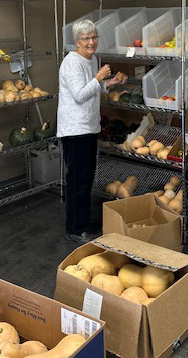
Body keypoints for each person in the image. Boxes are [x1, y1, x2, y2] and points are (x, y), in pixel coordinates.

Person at [57, 19, 126, 243]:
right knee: (77, 180)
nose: (91, 42)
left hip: (89, 127)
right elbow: (80, 94)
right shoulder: (71, 62)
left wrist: (110, 83)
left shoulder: (92, 59)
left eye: (94, 37)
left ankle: (83, 222)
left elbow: (93, 90)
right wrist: (98, 78)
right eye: (85, 38)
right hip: (75, 130)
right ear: (77, 41)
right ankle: (75, 229)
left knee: (87, 178)